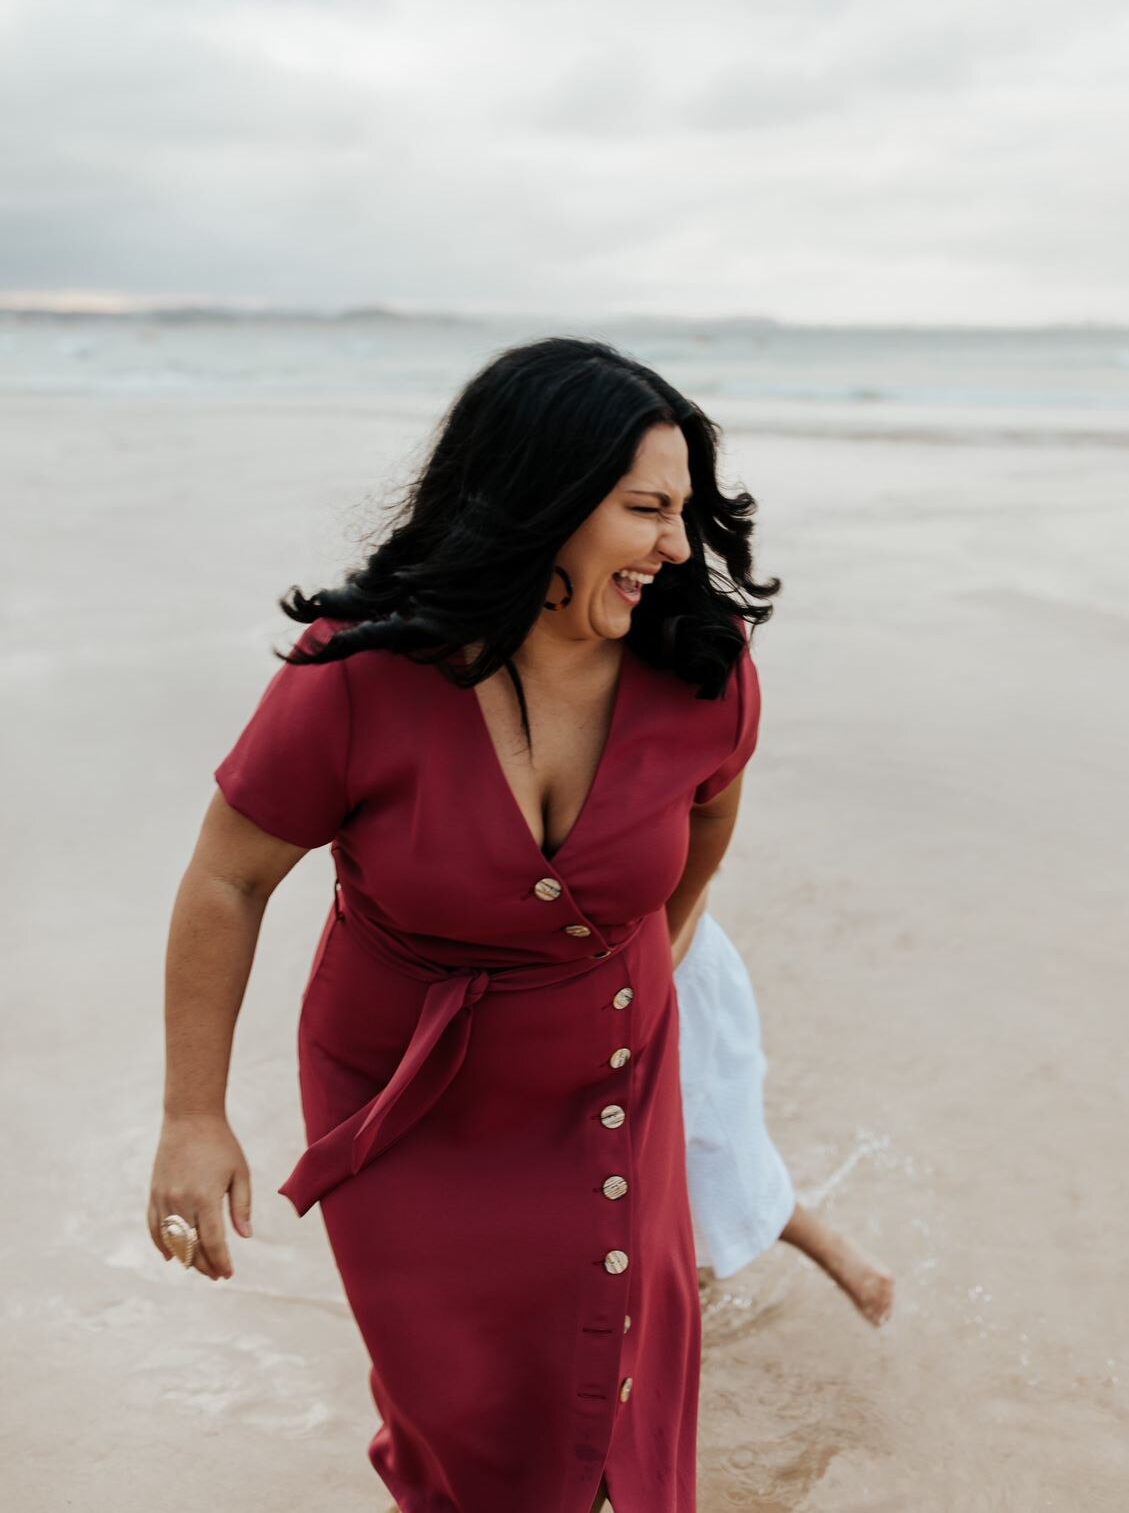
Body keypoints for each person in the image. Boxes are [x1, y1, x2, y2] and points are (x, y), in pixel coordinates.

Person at [146, 336, 780, 1513]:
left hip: (608, 1093)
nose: (676, 547)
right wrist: (193, 1113)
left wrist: (626, 967)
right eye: (646, 509)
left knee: (620, 1408)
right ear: (541, 496)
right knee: (468, 1431)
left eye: (684, 512)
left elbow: (703, 834)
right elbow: (227, 878)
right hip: (404, 1102)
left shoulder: (702, 668)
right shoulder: (359, 672)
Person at [673, 895, 895, 1327]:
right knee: (680, 1166)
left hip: (666, 979)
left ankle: (834, 1252)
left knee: (710, 1158)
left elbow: (696, 883)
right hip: (602, 984)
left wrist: (648, 975)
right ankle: (692, 1284)